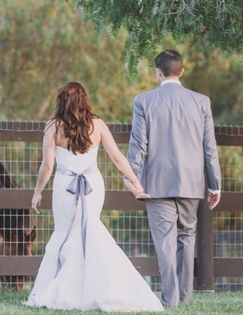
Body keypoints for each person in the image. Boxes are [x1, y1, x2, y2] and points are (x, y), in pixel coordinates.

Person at [25, 81, 164, 312]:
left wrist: (37, 192)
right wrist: (136, 183)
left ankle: (64, 289)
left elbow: (47, 166)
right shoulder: (97, 125)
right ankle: (95, 289)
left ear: (61, 102)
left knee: (64, 233)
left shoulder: (53, 127)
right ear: (84, 101)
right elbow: (118, 158)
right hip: (93, 187)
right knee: (90, 231)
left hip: (64, 188)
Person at [125, 49, 222, 308]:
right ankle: (186, 298)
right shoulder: (201, 102)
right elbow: (209, 147)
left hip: (156, 183)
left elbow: (138, 146)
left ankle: (170, 301)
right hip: (191, 183)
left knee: (164, 243)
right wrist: (215, 185)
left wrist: (132, 178)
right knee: (187, 236)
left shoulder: (144, 101)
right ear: (182, 71)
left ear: (158, 72)